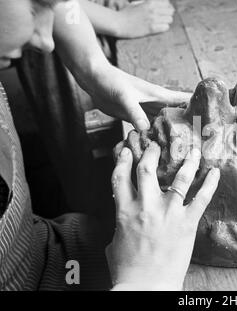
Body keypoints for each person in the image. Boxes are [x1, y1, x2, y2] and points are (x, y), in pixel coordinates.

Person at [0, 0, 220, 290]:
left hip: (46, 248)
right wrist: (148, 280)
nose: (47, 42)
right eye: (32, 10)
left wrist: (94, 69)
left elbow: (61, 7)